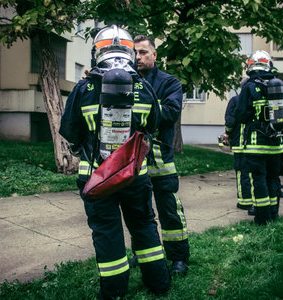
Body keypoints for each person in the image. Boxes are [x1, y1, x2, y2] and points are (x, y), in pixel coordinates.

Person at [59, 25, 170, 299]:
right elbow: (154, 125)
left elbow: (70, 131)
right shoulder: (144, 88)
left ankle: (114, 291)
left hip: (96, 178)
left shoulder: (84, 88)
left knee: (107, 232)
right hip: (134, 175)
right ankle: (158, 283)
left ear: (97, 51)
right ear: (131, 53)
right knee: (144, 225)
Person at [132, 34, 190, 275]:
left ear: (154, 55)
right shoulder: (125, 80)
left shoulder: (169, 82)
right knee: (139, 211)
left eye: (143, 52)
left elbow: (170, 112)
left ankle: (178, 258)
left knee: (169, 211)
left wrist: (140, 111)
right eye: (134, 52)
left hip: (160, 159)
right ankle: (143, 254)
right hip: (133, 160)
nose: (138, 57)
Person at [233, 50, 283, 225]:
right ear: (268, 64)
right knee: (273, 179)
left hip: (256, 145)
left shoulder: (249, 86)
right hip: (276, 144)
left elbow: (241, 114)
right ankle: (273, 215)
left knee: (258, 179)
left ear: (250, 66)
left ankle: (262, 218)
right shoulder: (280, 86)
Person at [223, 79, 253, 211]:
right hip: (255, 145)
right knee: (253, 173)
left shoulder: (236, 101)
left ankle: (244, 201)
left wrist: (227, 134)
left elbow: (230, 121)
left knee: (241, 172)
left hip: (240, 144)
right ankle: (255, 201)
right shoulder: (255, 101)